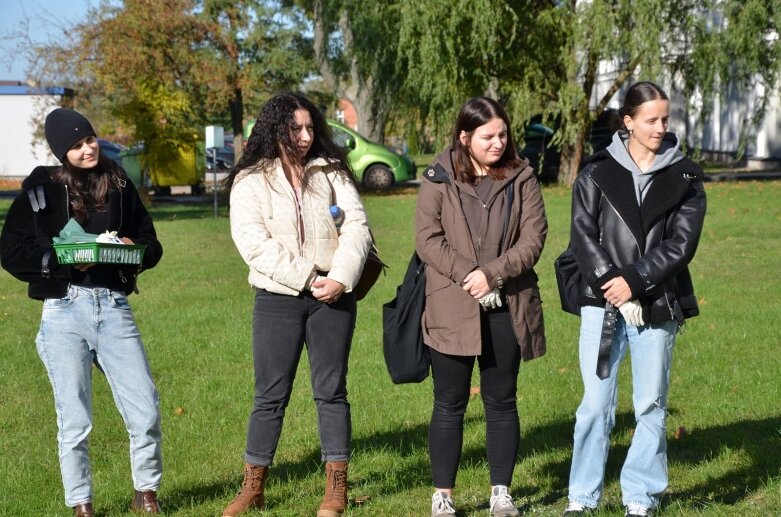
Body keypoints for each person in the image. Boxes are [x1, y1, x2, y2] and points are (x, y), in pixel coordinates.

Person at [0, 108, 164, 516]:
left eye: (89, 139)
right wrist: (61, 261)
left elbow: (151, 244)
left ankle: (147, 493)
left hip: (113, 306)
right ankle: (81, 504)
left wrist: (131, 251)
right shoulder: (40, 191)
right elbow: (11, 253)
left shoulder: (121, 183)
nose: (87, 148)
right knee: (74, 419)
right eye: (75, 145)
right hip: (63, 309)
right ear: (61, 151)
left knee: (144, 408)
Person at [222, 92, 372, 517]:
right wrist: (308, 277)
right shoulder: (251, 180)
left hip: (334, 298)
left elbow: (357, 227)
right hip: (279, 298)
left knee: (331, 392)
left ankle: (336, 486)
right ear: (275, 129)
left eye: (310, 128)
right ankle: (253, 487)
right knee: (269, 396)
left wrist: (340, 278)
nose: (306, 137)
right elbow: (253, 244)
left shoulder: (332, 172)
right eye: (295, 129)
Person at [562, 81, 707, 517]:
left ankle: (641, 497)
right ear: (628, 122)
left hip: (658, 302)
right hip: (601, 300)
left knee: (650, 404)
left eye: (665, 119)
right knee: (594, 406)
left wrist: (635, 282)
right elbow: (583, 237)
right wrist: (613, 284)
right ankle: (582, 497)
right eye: (651, 120)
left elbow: (682, 245)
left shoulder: (686, 176)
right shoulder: (595, 172)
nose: (660, 127)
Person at [415, 97, 548, 517]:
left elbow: (533, 238)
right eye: (488, 136)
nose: (498, 143)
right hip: (451, 306)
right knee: (449, 403)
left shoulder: (523, 176)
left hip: (507, 305)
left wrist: (493, 274)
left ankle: (501, 493)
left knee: (501, 400)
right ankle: (443, 496)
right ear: (464, 137)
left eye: (503, 134)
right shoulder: (438, 178)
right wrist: (468, 274)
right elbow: (427, 238)